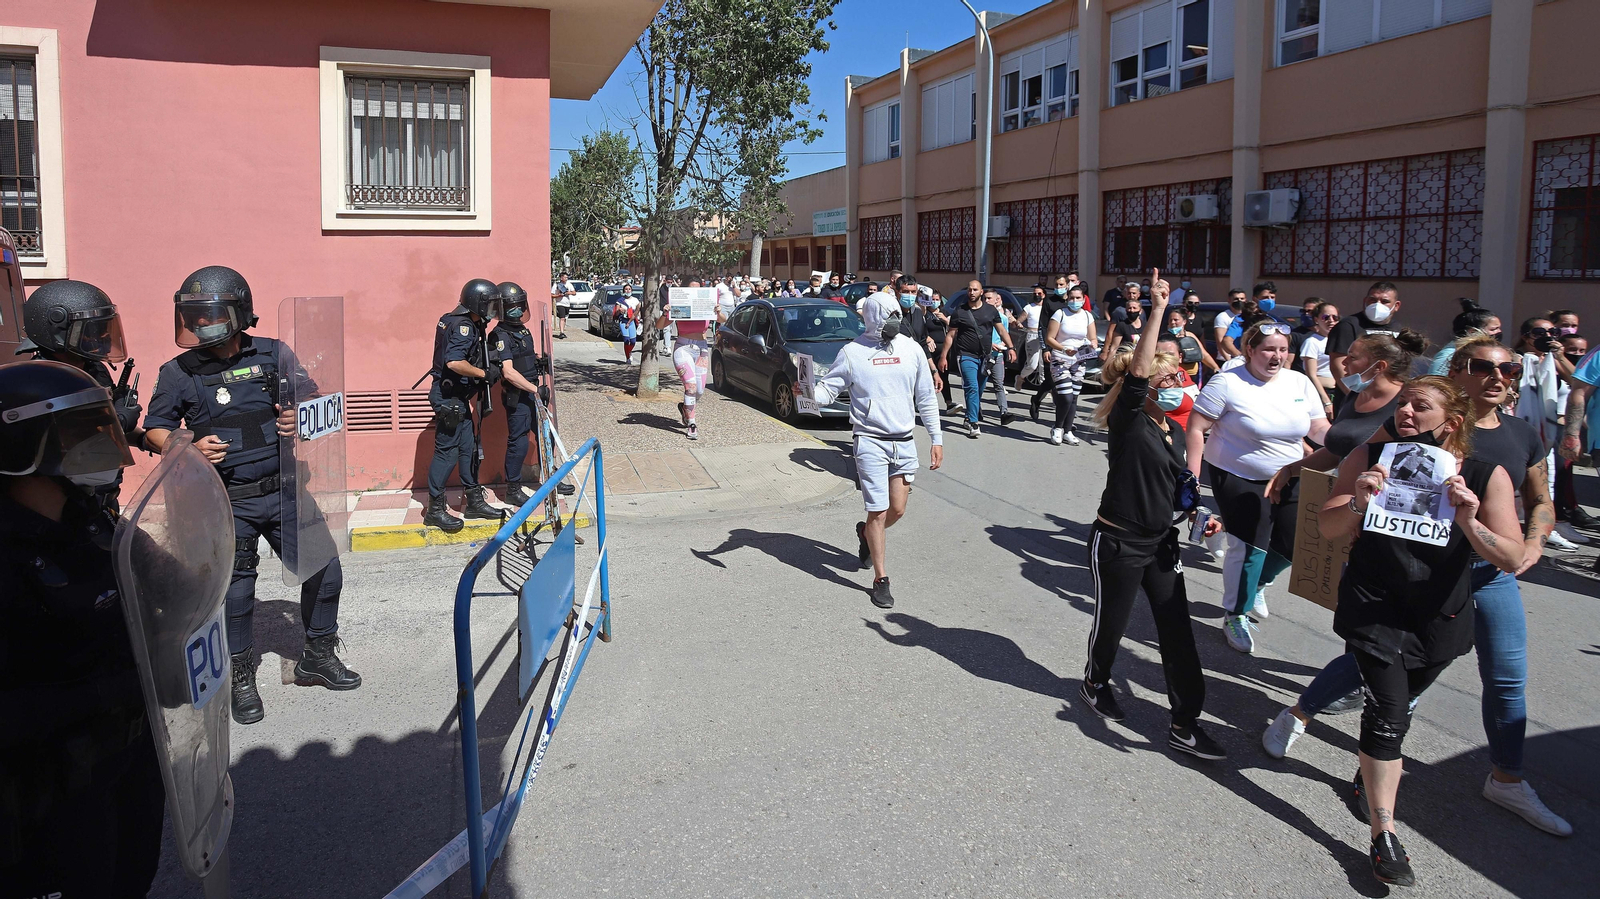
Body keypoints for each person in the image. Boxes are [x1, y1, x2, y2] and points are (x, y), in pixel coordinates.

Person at [1263, 338, 1572, 840]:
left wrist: (1531, 542)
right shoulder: (1407, 424)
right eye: (1485, 368)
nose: (1500, 378)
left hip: (1486, 574)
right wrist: (1308, 472)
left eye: (1511, 370)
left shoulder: (1519, 436)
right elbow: (1356, 457)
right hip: (1409, 574)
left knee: (1506, 678)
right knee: (1377, 672)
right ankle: (1303, 717)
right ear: (1459, 378)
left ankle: (1507, 778)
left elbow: (1539, 497)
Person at [1316, 375, 1524, 887]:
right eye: (1403, 403)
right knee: (1387, 710)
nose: (1406, 412)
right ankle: (1383, 834)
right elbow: (1326, 526)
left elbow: (1513, 556)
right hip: (1375, 604)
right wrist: (1359, 502)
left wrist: (1470, 520)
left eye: (1420, 406)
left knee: (1403, 703)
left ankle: (1370, 777)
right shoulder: (1371, 458)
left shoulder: (1482, 473)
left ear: (1450, 423)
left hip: (1440, 613)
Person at [144, 266, 361, 725]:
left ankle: (317, 656)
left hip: (286, 491)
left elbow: (314, 400)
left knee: (327, 571)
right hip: (227, 502)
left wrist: (298, 416)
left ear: (238, 313)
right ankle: (241, 676)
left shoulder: (273, 354)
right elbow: (153, 430)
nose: (199, 325)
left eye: (209, 315)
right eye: (193, 316)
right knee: (237, 595)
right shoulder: (179, 372)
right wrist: (185, 444)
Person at [0, 360, 165, 898]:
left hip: (129, 756)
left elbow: (167, 582)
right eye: (78, 432)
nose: (97, 442)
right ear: (23, 445)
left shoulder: (92, 518)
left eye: (101, 426)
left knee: (131, 877)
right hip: (48, 788)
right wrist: (117, 688)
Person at [1081, 270, 1228, 761]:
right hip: (1118, 542)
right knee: (1113, 623)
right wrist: (1159, 308)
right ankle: (1096, 680)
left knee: (1177, 632)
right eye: (1171, 378)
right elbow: (1139, 374)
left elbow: (1180, 489)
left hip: (1161, 544)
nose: (1179, 383)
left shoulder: (1168, 431)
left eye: (1180, 377)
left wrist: (1199, 512)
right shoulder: (1130, 421)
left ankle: (1185, 723)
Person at [1185, 320, 1330, 654]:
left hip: (1291, 473)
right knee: (1249, 547)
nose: (1277, 356)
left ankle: (1258, 582)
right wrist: (1192, 475)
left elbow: (1318, 426)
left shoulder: (1299, 382)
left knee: (1296, 542)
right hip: (1237, 476)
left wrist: (1343, 441)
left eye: (1283, 349)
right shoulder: (1228, 383)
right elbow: (1196, 428)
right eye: (1268, 349)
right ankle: (1235, 613)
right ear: (1250, 350)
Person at [810, 291, 943, 610]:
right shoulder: (853, 352)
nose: (896, 321)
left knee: (897, 509)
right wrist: (806, 391)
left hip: (904, 440)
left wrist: (936, 438)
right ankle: (881, 579)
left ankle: (867, 534)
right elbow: (829, 388)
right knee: (879, 511)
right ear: (871, 318)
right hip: (869, 442)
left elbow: (925, 396)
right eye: (889, 316)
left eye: (898, 314)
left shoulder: (911, 349)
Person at [16, 279, 143, 510]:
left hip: (104, 496)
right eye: (92, 329)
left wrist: (144, 438)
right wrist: (119, 420)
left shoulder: (95, 369)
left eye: (103, 328)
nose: (102, 337)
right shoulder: (39, 380)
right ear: (58, 330)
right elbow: (63, 440)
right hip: (61, 505)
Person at [420, 279, 503, 533]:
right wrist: (482, 373)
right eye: (488, 305)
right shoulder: (464, 326)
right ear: (476, 303)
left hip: (457, 398)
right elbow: (455, 362)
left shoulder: (454, 318)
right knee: (446, 454)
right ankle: (434, 510)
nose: (491, 310)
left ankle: (474, 502)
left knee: (467, 449)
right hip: (449, 399)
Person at [1514, 315, 1583, 550]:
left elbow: (1578, 382)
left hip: (1550, 430)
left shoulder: (1554, 360)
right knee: (1517, 480)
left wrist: (1560, 355)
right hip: (1523, 426)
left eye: (1552, 333)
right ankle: (1512, 527)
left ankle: (1545, 528)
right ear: (1526, 337)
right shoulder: (1517, 359)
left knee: (1548, 480)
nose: (1547, 337)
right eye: (1540, 333)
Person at [487, 282, 548, 507]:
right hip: (518, 396)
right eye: (513, 306)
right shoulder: (499, 335)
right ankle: (512, 489)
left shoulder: (521, 329)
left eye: (520, 305)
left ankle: (552, 479)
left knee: (545, 436)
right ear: (502, 309)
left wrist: (539, 363)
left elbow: (524, 358)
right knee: (519, 442)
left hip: (533, 390)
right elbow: (509, 372)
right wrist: (535, 390)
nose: (518, 310)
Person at [939, 280, 1012, 439]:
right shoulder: (960, 311)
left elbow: (1001, 331)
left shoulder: (990, 311)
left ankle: (968, 416)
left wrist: (1011, 348)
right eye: (969, 290)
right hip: (966, 355)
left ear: (981, 292)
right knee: (971, 386)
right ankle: (973, 422)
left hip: (985, 357)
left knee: (978, 389)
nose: (971, 292)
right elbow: (951, 335)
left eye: (975, 290)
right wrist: (943, 356)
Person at [655, 279, 721, 440]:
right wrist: (666, 313)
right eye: (691, 289)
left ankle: (685, 408)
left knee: (699, 390)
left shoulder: (707, 304)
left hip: (702, 348)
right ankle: (691, 424)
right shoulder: (679, 304)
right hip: (683, 347)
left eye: (697, 289)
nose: (694, 293)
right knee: (690, 387)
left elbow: (723, 320)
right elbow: (659, 326)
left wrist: (718, 312)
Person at [1328, 281, 1404, 402]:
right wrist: (1356, 398)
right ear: (1365, 301)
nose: (1377, 305)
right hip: (1355, 399)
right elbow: (1338, 365)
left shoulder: (1398, 328)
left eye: (1385, 301)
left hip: (1387, 399)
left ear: (1396, 305)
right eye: (1372, 300)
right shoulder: (1349, 325)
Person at [1042, 284, 1097, 446]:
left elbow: (1092, 338)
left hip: (1079, 360)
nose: (1074, 301)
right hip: (1060, 359)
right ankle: (1057, 428)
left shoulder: (1088, 316)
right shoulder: (1060, 314)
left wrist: (1091, 344)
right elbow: (1049, 338)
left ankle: (1068, 431)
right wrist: (1064, 349)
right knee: (1065, 396)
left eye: (1078, 298)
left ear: (1083, 298)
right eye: (1071, 298)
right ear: (1067, 298)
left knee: (1073, 398)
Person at [1429, 298, 1501, 375]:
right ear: (1472, 332)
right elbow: (1436, 383)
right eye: (1493, 329)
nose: (1499, 332)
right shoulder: (1448, 356)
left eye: (1499, 328)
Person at [982, 290, 1017, 427]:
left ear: (997, 300)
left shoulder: (1002, 318)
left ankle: (1004, 413)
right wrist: (990, 345)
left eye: (989, 298)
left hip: (998, 356)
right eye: (985, 298)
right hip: (983, 355)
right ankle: (976, 410)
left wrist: (1006, 346)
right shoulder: (981, 316)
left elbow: (1005, 335)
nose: (987, 301)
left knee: (999, 385)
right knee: (980, 384)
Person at [1299, 301, 1340, 409]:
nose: (1331, 321)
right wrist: (1326, 401)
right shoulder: (1312, 342)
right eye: (1326, 317)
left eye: (1335, 317)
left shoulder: (1339, 340)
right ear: (1316, 319)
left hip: (1339, 392)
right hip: (1322, 392)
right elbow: (1311, 374)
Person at [1162, 306, 1217, 383]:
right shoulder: (1165, 338)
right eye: (1170, 320)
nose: (1172, 322)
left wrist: (1215, 368)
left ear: (1184, 321)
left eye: (1176, 320)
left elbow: (1203, 354)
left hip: (1193, 376)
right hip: (1174, 376)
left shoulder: (1190, 336)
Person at [1101, 292, 1146, 360]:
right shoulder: (1122, 325)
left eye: (1134, 308)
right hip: (1125, 359)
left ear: (1140, 311)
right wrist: (1108, 364)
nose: (1132, 310)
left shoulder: (1146, 325)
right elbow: (1114, 347)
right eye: (1129, 308)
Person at [1214, 289, 1247, 360]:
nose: (1239, 301)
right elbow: (1220, 342)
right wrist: (1229, 361)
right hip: (1226, 359)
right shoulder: (1223, 317)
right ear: (1229, 300)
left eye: (1242, 299)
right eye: (1236, 299)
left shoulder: (1247, 316)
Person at [551, 272, 574, 338]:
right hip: (560, 303)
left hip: (567, 304)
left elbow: (574, 292)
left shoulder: (569, 284)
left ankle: (563, 331)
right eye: (565, 277)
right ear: (561, 278)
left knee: (565, 318)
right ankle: (561, 332)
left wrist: (568, 293)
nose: (566, 278)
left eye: (567, 277)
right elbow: (552, 295)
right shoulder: (557, 285)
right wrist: (558, 295)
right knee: (562, 318)